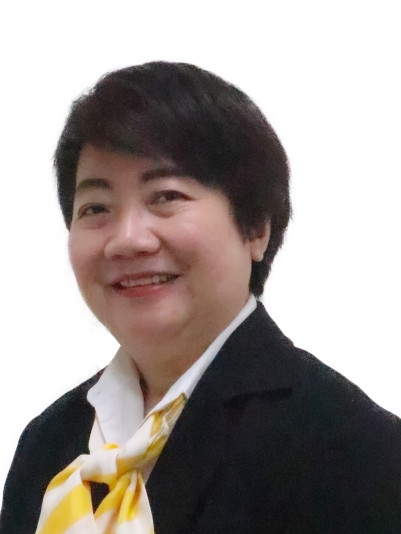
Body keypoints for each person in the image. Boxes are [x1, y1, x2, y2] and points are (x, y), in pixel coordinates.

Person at [1, 61, 400, 534]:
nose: (127, 239)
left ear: (256, 228)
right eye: (96, 208)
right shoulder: (47, 445)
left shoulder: (355, 452)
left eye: (166, 196)